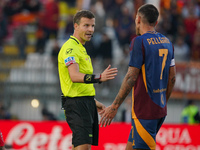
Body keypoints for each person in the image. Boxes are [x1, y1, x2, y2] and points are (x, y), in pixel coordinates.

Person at [100, 4, 176, 150]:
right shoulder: (167, 42)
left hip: (145, 111)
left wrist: (115, 106)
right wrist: (163, 102)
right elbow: (172, 78)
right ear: (156, 22)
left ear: (138, 19)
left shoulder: (139, 41)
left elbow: (131, 77)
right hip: (160, 109)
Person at [58, 10, 118, 150]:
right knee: (83, 146)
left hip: (85, 103)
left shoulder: (81, 48)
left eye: (92, 26)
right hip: (77, 105)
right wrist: (99, 77)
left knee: (82, 146)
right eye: (86, 25)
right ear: (76, 26)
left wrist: (93, 102)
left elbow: (79, 85)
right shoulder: (70, 48)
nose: (90, 29)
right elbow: (74, 76)